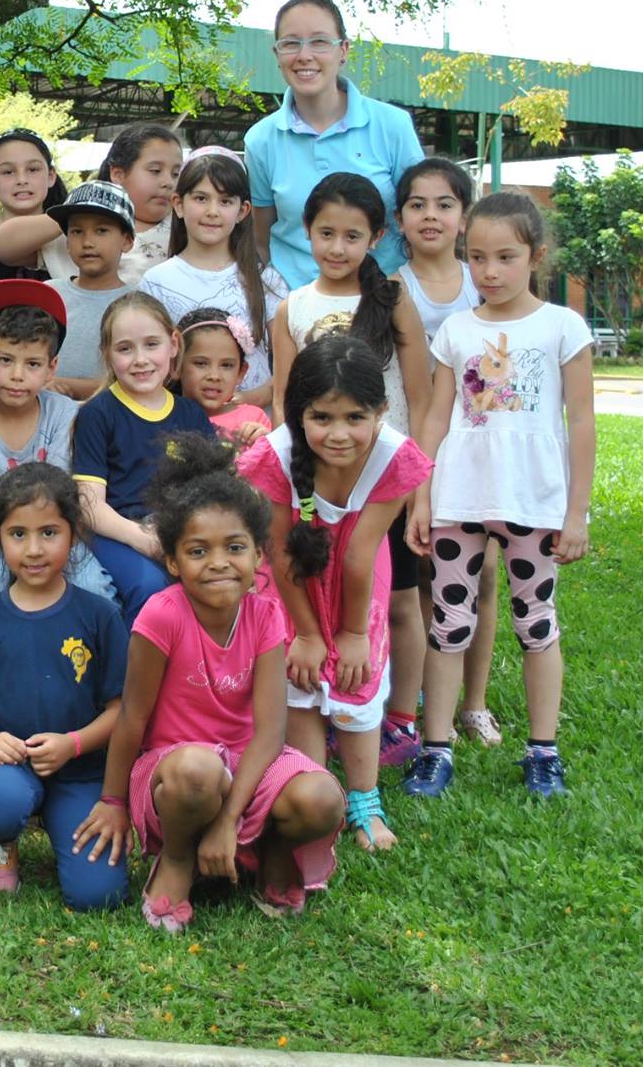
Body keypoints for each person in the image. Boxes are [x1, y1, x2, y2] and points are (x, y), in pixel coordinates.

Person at [74, 437, 344, 930]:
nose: (218, 562)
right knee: (198, 770)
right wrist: (112, 801)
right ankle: (178, 859)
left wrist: (227, 818)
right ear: (174, 563)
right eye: (199, 551)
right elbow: (132, 718)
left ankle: (269, 849)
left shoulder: (265, 617)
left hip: (250, 762)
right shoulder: (162, 615)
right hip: (177, 772)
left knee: (323, 798)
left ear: (259, 556)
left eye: (234, 548)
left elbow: (269, 731)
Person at [406, 193, 596, 800]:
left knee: (536, 623)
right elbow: (435, 418)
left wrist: (576, 513)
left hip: (534, 503)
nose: (489, 271)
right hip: (460, 499)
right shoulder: (457, 329)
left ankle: (543, 752)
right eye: (478, 257)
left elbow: (583, 423)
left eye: (506, 257)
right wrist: (421, 496)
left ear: (535, 256)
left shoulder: (563, 326)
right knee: (448, 623)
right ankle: (435, 749)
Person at [237, 336, 433, 852]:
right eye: (322, 417)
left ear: (382, 411)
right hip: (292, 581)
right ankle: (312, 787)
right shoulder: (278, 456)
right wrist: (305, 634)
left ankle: (364, 798)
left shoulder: (394, 457)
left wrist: (350, 635)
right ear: (298, 413)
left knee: (358, 678)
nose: (339, 433)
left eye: (355, 418)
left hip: (359, 582)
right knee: (299, 679)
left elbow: (359, 554)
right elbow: (280, 552)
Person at [270, 172, 432, 768]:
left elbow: (419, 392)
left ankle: (398, 715)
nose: (337, 248)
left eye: (352, 235)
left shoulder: (391, 298)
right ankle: (327, 707)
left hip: (383, 477)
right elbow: (288, 400)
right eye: (325, 233)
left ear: (377, 236)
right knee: (323, 590)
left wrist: (419, 484)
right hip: (317, 480)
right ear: (305, 232)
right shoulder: (294, 306)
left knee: (399, 601)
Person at [0, 463, 129, 911]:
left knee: (98, 896)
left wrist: (74, 743)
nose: (33, 549)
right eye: (18, 534)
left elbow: (122, 709)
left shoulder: (99, 615)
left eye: (49, 533)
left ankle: (61, 816)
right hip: (11, 769)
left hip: (82, 771)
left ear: (73, 534)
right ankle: (2, 841)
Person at [391, 158, 503, 749]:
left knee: (483, 575)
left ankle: (474, 703)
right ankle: (426, 695)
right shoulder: (390, 287)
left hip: (482, 447)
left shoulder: (483, 280)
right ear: (400, 218)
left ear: (464, 216)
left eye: (444, 204)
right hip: (421, 445)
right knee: (430, 572)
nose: (430, 215)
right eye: (417, 204)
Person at [244, 0, 424, 289]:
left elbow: (419, 219)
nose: (304, 55)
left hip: (381, 298)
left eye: (319, 41)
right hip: (294, 304)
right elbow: (259, 241)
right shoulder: (261, 140)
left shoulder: (393, 126)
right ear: (277, 55)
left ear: (343, 50)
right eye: (290, 43)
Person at [0, 280, 115, 604]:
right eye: (6, 360)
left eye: (33, 364)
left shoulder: (65, 415)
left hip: (56, 530)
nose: (17, 375)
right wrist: (18, 540)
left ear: (52, 368)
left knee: (96, 590)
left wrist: (43, 542)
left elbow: (59, 495)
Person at [72, 291, 217, 624]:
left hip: (179, 531)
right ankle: (136, 676)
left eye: (152, 344)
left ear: (174, 344)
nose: (140, 359)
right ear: (107, 355)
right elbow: (90, 506)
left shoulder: (191, 414)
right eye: (125, 349)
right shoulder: (99, 414)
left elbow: (212, 491)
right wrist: (143, 539)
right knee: (149, 587)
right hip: (117, 532)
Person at [141, 146, 287, 407]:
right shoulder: (156, 282)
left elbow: (290, 359)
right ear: (178, 204)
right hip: (181, 421)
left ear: (242, 211)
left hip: (253, 426)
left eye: (225, 201)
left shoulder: (266, 281)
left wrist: (254, 397)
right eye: (200, 198)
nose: (212, 211)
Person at [0, 124, 183, 288]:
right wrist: (74, 214)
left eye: (175, 173)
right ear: (118, 174)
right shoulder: (73, 231)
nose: (168, 182)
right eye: (155, 170)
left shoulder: (185, 229)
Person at [43, 181, 143, 398]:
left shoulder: (139, 305)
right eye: (77, 231)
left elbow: (136, 379)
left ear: (127, 240)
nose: (87, 242)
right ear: (67, 241)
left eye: (101, 230)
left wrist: (64, 385)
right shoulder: (47, 295)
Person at [0, 128, 69, 282]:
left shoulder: (72, 238)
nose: (21, 179)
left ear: (51, 176)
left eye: (33, 169)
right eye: (8, 172)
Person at [174, 308, 271, 447]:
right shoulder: (163, 418)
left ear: (241, 373)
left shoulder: (251, 421)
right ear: (176, 365)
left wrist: (265, 447)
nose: (214, 376)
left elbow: (269, 467)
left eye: (226, 365)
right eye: (201, 363)